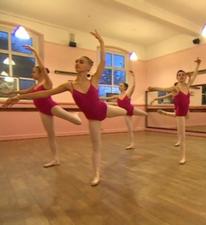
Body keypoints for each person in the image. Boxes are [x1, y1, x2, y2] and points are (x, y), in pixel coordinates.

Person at [3, 30, 128, 185]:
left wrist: (101, 42)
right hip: (93, 118)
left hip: (104, 108)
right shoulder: (68, 85)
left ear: (89, 67)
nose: (77, 63)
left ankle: (109, 104)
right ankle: (96, 174)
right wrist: (19, 96)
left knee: (125, 111)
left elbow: (102, 62)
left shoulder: (94, 80)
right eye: (76, 61)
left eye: (81, 61)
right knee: (96, 147)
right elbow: (44, 94)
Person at [4, 45, 81, 168]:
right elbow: (25, 92)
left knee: (77, 122)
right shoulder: (36, 85)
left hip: (52, 107)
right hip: (43, 111)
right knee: (51, 135)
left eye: (34, 71)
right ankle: (55, 159)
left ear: (41, 72)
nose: (31, 73)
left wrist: (35, 52)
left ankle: (75, 114)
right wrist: (12, 93)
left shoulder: (47, 83)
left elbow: (44, 70)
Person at [148, 58, 201, 164]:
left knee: (180, 126)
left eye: (183, 75)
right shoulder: (175, 88)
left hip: (185, 112)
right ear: (177, 77)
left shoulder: (187, 86)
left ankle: (165, 113)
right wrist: (153, 88)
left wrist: (198, 64)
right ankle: (183, 156)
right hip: (181, 114)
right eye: (179, 75)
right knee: (183, 136)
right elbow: (164, 90)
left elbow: (195, 75)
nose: (181, 77)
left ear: (185, 77)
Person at [102, 70, 148, 150]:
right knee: (130, 129)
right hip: (126, 113)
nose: (119, 86)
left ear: (125, 87)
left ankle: (150, 116)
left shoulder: (128, 94)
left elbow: (133, 86)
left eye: (121, 85)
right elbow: (107, 98)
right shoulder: (117, 96)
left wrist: (133, 76)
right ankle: (132, 144)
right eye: (119, 85)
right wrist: (96, 98)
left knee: (145, 114)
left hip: (132, 109)